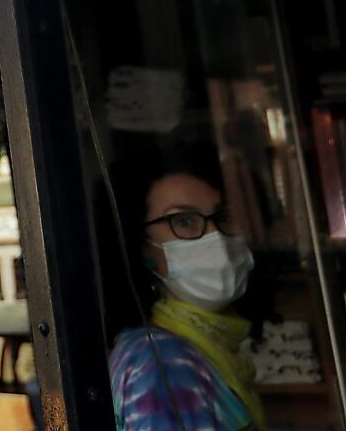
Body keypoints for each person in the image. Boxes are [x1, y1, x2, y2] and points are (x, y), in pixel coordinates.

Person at [107, 145, 264, 431]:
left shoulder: (208, 348)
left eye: (225, 217)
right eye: (184, 222)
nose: (216, 236)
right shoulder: (163, 362)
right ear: (142, 247)